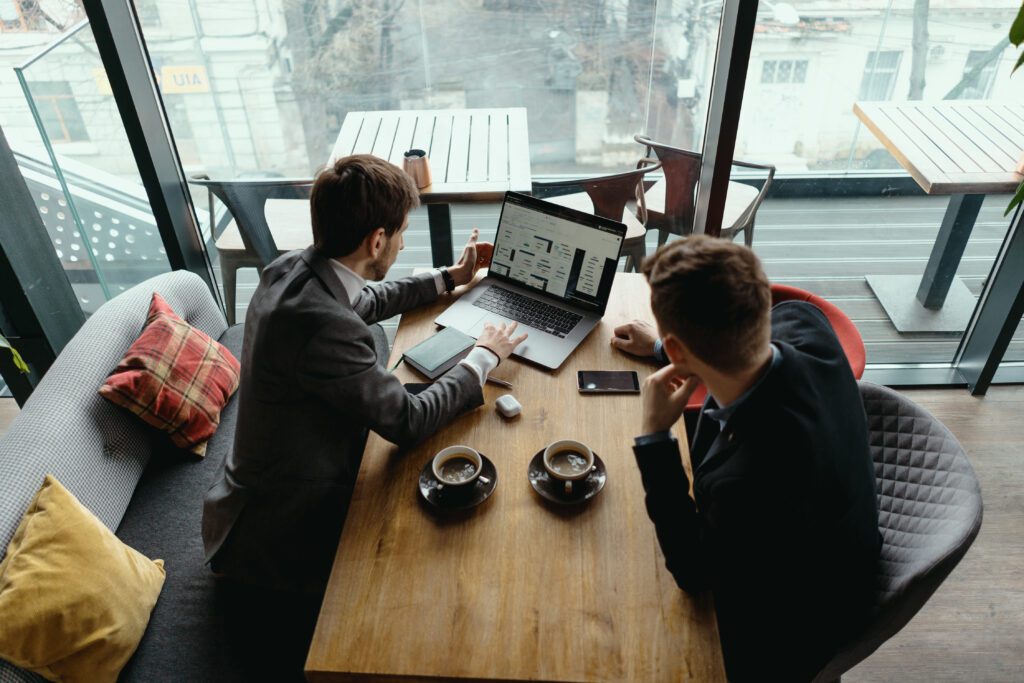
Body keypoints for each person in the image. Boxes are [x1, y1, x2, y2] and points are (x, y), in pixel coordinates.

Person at [201, 154, 525, 678]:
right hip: (277, 536)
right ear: (377, 241)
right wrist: (483, 357)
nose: (400, 245)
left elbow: (364, 298)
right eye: (399, 235)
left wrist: (450, 278)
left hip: (255, 495)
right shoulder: (322, 327)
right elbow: (407, 421)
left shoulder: (293, 269)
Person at [616, 236, 881, 682]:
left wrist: (656, 437)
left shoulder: (748, 485)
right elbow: (744, 340)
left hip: (794, 623)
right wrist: (664, 350)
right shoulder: (806, 323)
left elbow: (693, 572)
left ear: (681, 350)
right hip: (826, 523)